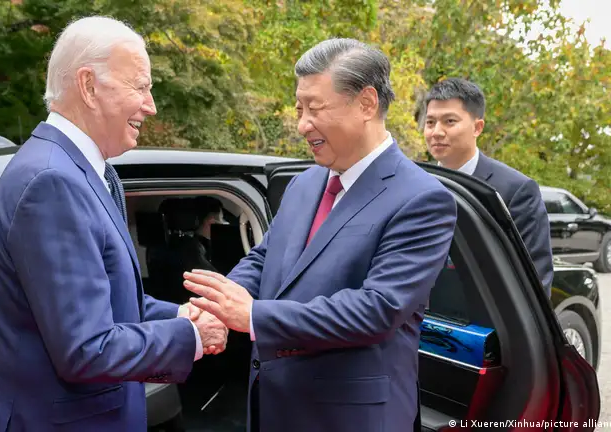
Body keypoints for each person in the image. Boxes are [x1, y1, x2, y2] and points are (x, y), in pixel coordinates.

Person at [183, 38, 458, 432]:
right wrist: (218, 302)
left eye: (315, 109)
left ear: (366, 103)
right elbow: (267, 258)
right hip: (274, 404)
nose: (302, 125)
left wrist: (254, 316)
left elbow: (378, 309)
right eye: (299, 110)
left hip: (350, 416)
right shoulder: (305, 183)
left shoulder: (421, 198)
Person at [0, 16, 227, 432]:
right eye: (140, 86)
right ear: (89, 86)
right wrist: (193, 337)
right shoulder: (52, 182)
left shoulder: (90, 171)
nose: (151, 105)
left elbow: (111, 302)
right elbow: (86, 349)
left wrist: (181, 314)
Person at [423, 77, 554, 297]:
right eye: (430, 122)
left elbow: (535, 282)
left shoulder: (516, 191)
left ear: (477, 127)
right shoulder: (417, 183)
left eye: (449, 121)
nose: (436, 131)